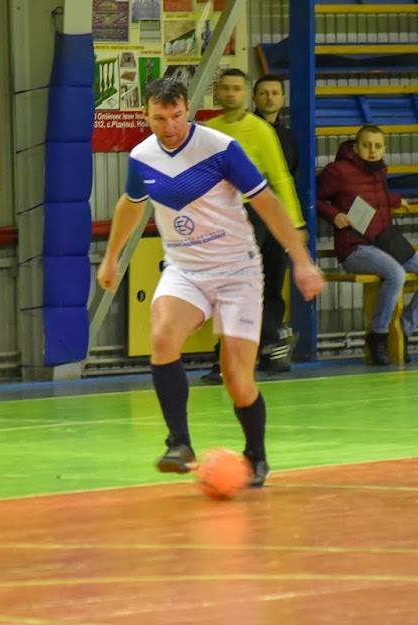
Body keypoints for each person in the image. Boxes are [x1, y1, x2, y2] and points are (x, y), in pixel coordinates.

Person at [96, 79, 324, 487]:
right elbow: (130, 206)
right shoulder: (142, 156)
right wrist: (111, 258)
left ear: (189, 110)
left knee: (238, 381)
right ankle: (179, 443)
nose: (169, 127)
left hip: (237, 270)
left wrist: (302, 261)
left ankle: (256, 454)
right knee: (163, 335)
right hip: (185, 270)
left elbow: (267, 201)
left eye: (177, 116)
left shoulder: (220, 148)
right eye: (159, 118)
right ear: (146, 116)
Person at [201, 69, 306, 383]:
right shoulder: (209, 130)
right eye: (226, 88)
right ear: (217, 93)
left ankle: (254, 345)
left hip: (252, 214)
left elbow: (281, 176)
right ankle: (268, 338)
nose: (231, 94)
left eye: (237, 89)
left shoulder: (261, 130)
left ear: (245, 94)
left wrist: (295, 223)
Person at [317, 125, 418, 365]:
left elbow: (370, 197)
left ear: (384, 149)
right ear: (356, 148)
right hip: (355, 248)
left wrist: (395, 200)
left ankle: (402, 332)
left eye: (377, 146)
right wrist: (333, 214)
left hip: (386, 242)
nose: (372, 150)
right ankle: (378, 335)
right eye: (366, 145)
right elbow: (312, 197)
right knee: (396, 273)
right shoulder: (338, 171)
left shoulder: (378, 172)